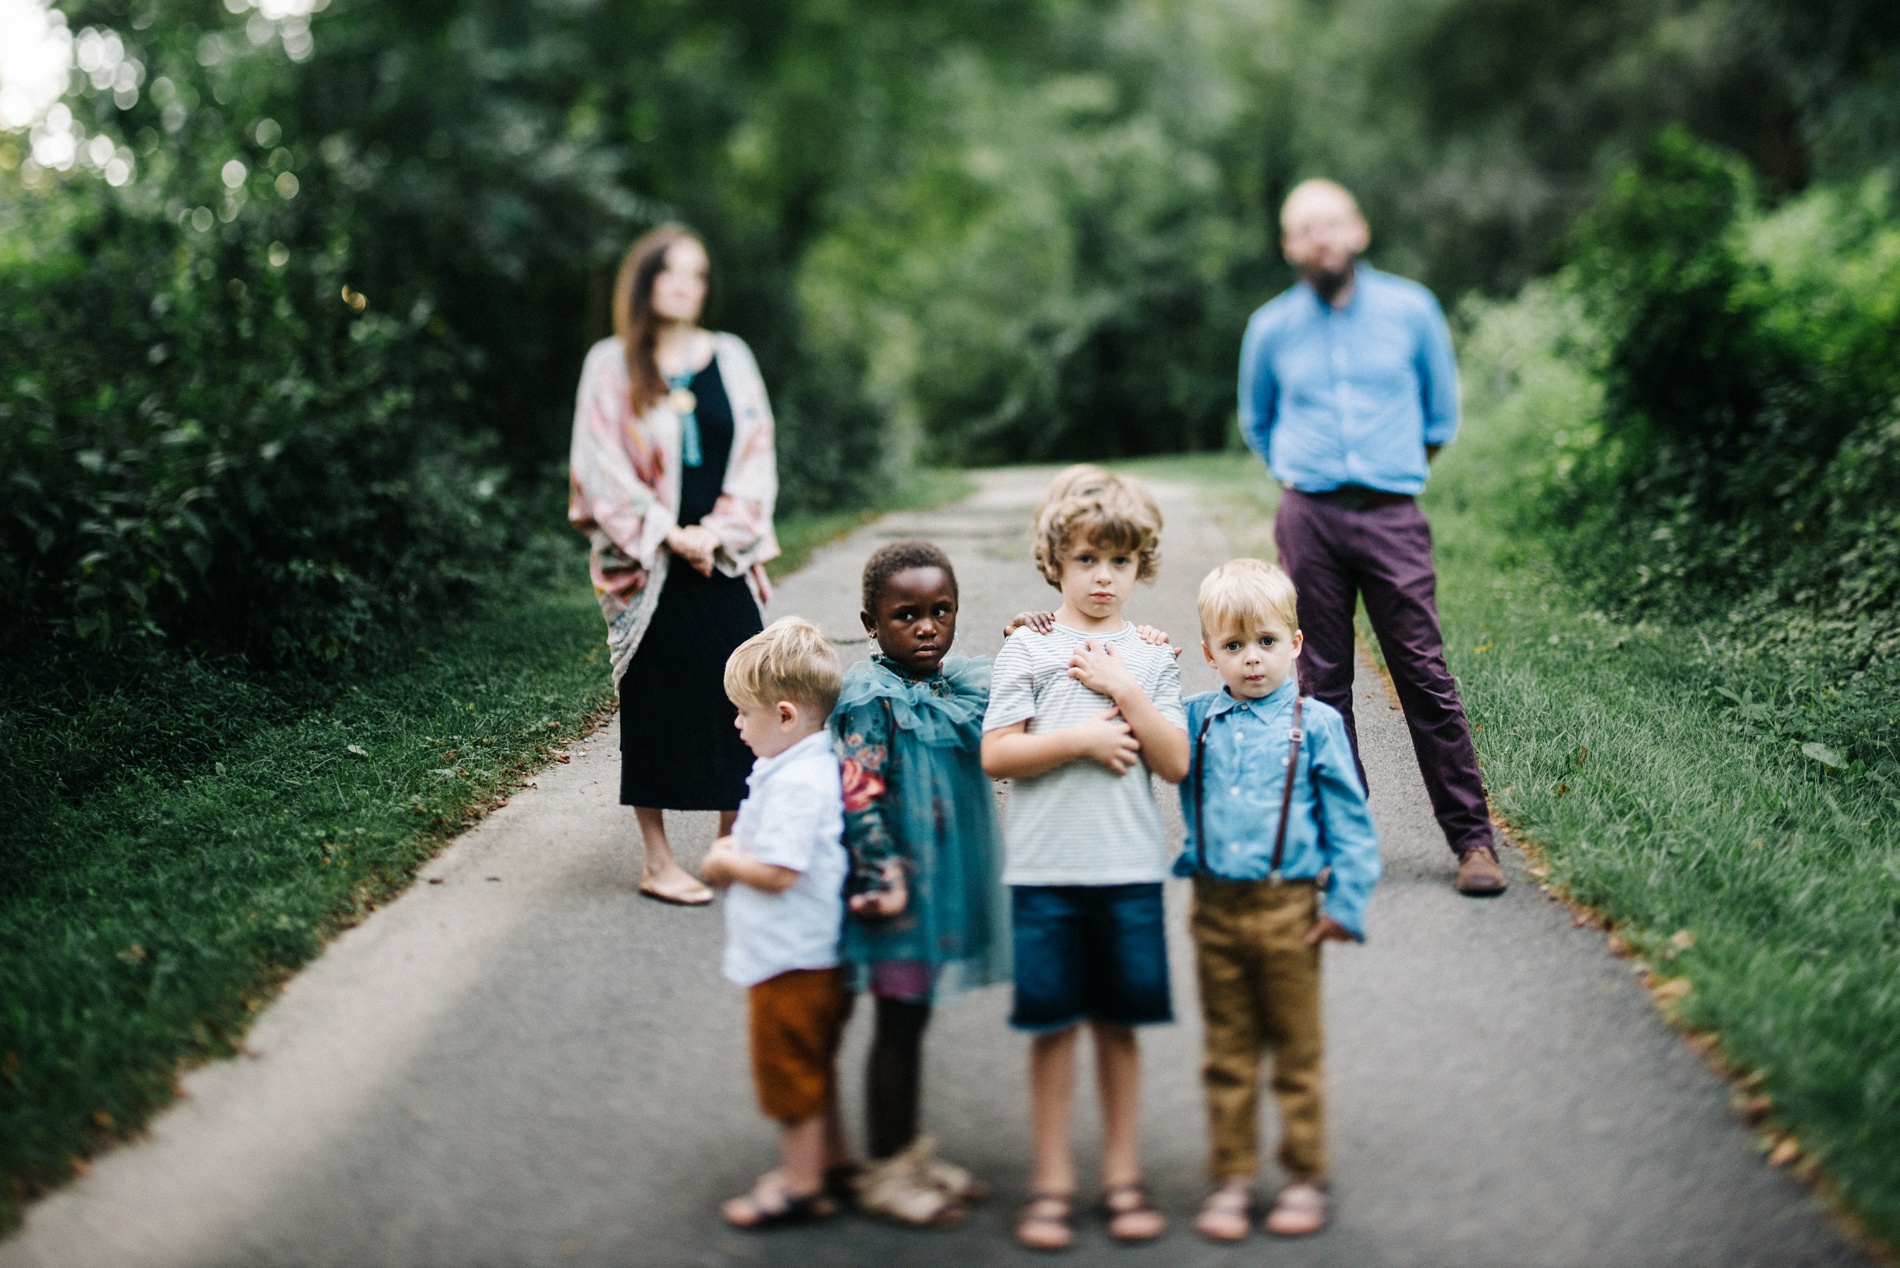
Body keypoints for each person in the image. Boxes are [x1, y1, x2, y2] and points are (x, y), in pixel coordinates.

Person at [1238, 178, 1508, 896]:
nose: (1320, 238)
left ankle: (1473, 841)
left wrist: (1392, 475)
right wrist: (1300, 473)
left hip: (1392, 514)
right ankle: (1342, 842)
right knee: (1321, 680)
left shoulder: (1411, 309)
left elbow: (1439, 415)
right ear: (1290, 246)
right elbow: (1257, 420)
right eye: (1304, 228)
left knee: (1422, 670)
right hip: (1309, 517)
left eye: (1331, 223)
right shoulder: (1270, 327)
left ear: (1357, 230)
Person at [980, 472, 1190, 1252]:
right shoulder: (1028, 646)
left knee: (1119, 1026)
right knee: (1053, 1028)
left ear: (1142, 567)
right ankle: (1052, 1182)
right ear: (1056, 562)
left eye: (1122, 562)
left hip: (1129, 869)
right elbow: (998, 753)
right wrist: (1082, 739)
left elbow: (1173, 763)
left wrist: (1125, 691)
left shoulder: (1154, 656)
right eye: (1087, 559)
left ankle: (1124, 1177)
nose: (1104, 576)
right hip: (1044, 872)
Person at [568, 224, 780, 906]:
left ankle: (729, 844)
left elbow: (757, 449)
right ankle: (657, 860)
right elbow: (598, 463)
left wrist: (717, 532)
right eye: (673, 272)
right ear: (647, 280)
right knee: (655, 700)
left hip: (723, 556)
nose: (687, 285)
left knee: (745, 692)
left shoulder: (733, 356)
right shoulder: (610, 363)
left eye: (698, 274)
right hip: (648, 563)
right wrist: (666, 532)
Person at [1176, 559, 1380, 1242]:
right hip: (1215, 910)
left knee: (1296, 1050)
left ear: (1295, 643)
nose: (1251, 659)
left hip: (1289, 908)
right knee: (1228, 1052)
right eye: (1233, 647)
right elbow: (1132, 713)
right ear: (1209, 654)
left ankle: (1303, 1175)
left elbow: (1350, 823)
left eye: (1265, 641)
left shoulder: (1315, 724)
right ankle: (1232, 1176)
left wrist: (1344, 903)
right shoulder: (1196, 720)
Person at [830, 540, 1008, 1227]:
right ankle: (884, 1169)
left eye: (941, 610)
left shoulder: (958, 686)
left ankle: (909, 1152)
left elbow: (1027, 691)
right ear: (872, 623)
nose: (928, 626)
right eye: (907, 615)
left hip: (943, 885)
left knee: (915, 1016)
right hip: (896, 896)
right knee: (897, 1024)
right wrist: (882, 874)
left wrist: (1030, 632)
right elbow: (859, 794)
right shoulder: (868, 698)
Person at [700, 617, 853, 1229]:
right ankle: (833, 1160)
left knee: (789, 1070)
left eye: (744, 713)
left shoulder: (799, 781)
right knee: (813, 1062)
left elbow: (781, 870)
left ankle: (800, 1183)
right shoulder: (799, 763)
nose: (737, 725)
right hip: (809, 951)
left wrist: (725, 860)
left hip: (793, 956)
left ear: (786, 715)